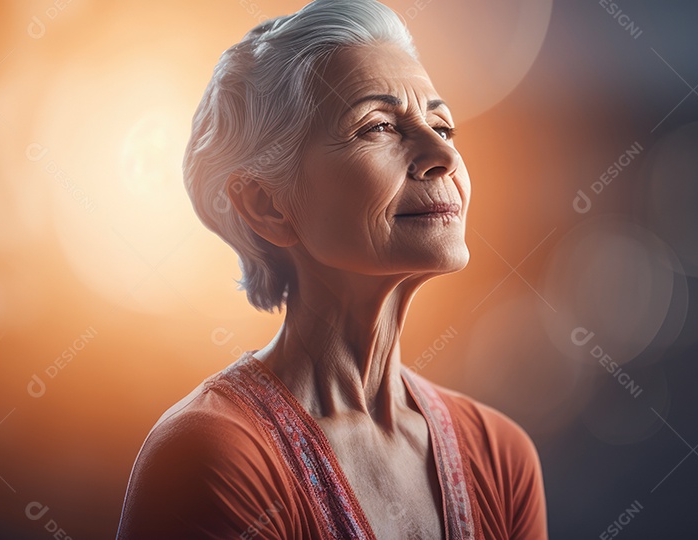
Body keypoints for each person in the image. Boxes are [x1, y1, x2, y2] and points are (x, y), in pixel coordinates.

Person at [116, 1, 548, 537]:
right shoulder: (215, 455)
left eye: (443, 125)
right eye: (379, 126)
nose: (442, 154)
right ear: (266, 204)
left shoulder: (501, 457)